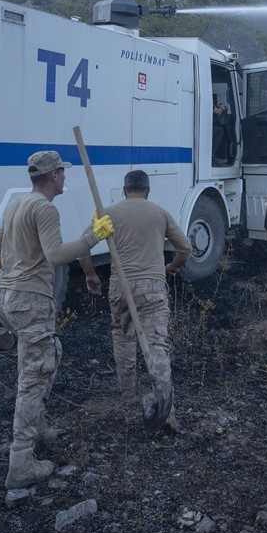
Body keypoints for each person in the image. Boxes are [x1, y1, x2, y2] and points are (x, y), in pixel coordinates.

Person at [0, 150, 114, 489]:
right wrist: (95, 236)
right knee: (35, 375)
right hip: (31, 302)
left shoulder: (17, 203)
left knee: (37, 361)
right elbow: (56, 255)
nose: (65, 177)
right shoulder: (45, 209)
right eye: (62, 172)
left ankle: (39, 428)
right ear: (54, 175)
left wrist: (13, 279)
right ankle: (21, 463)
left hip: (6, 298)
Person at [79, 169, 191, 431]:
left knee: (123, 338)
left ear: (124, 190)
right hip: (152, 286)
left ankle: (128, 398)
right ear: (148, 190)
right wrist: (172, 266)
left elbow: (83, 248)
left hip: (121, 286)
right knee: (156, 345)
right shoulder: (159, 213)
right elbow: (185, 248)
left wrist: (91, 274)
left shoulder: (108, 213)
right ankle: (165, 408)